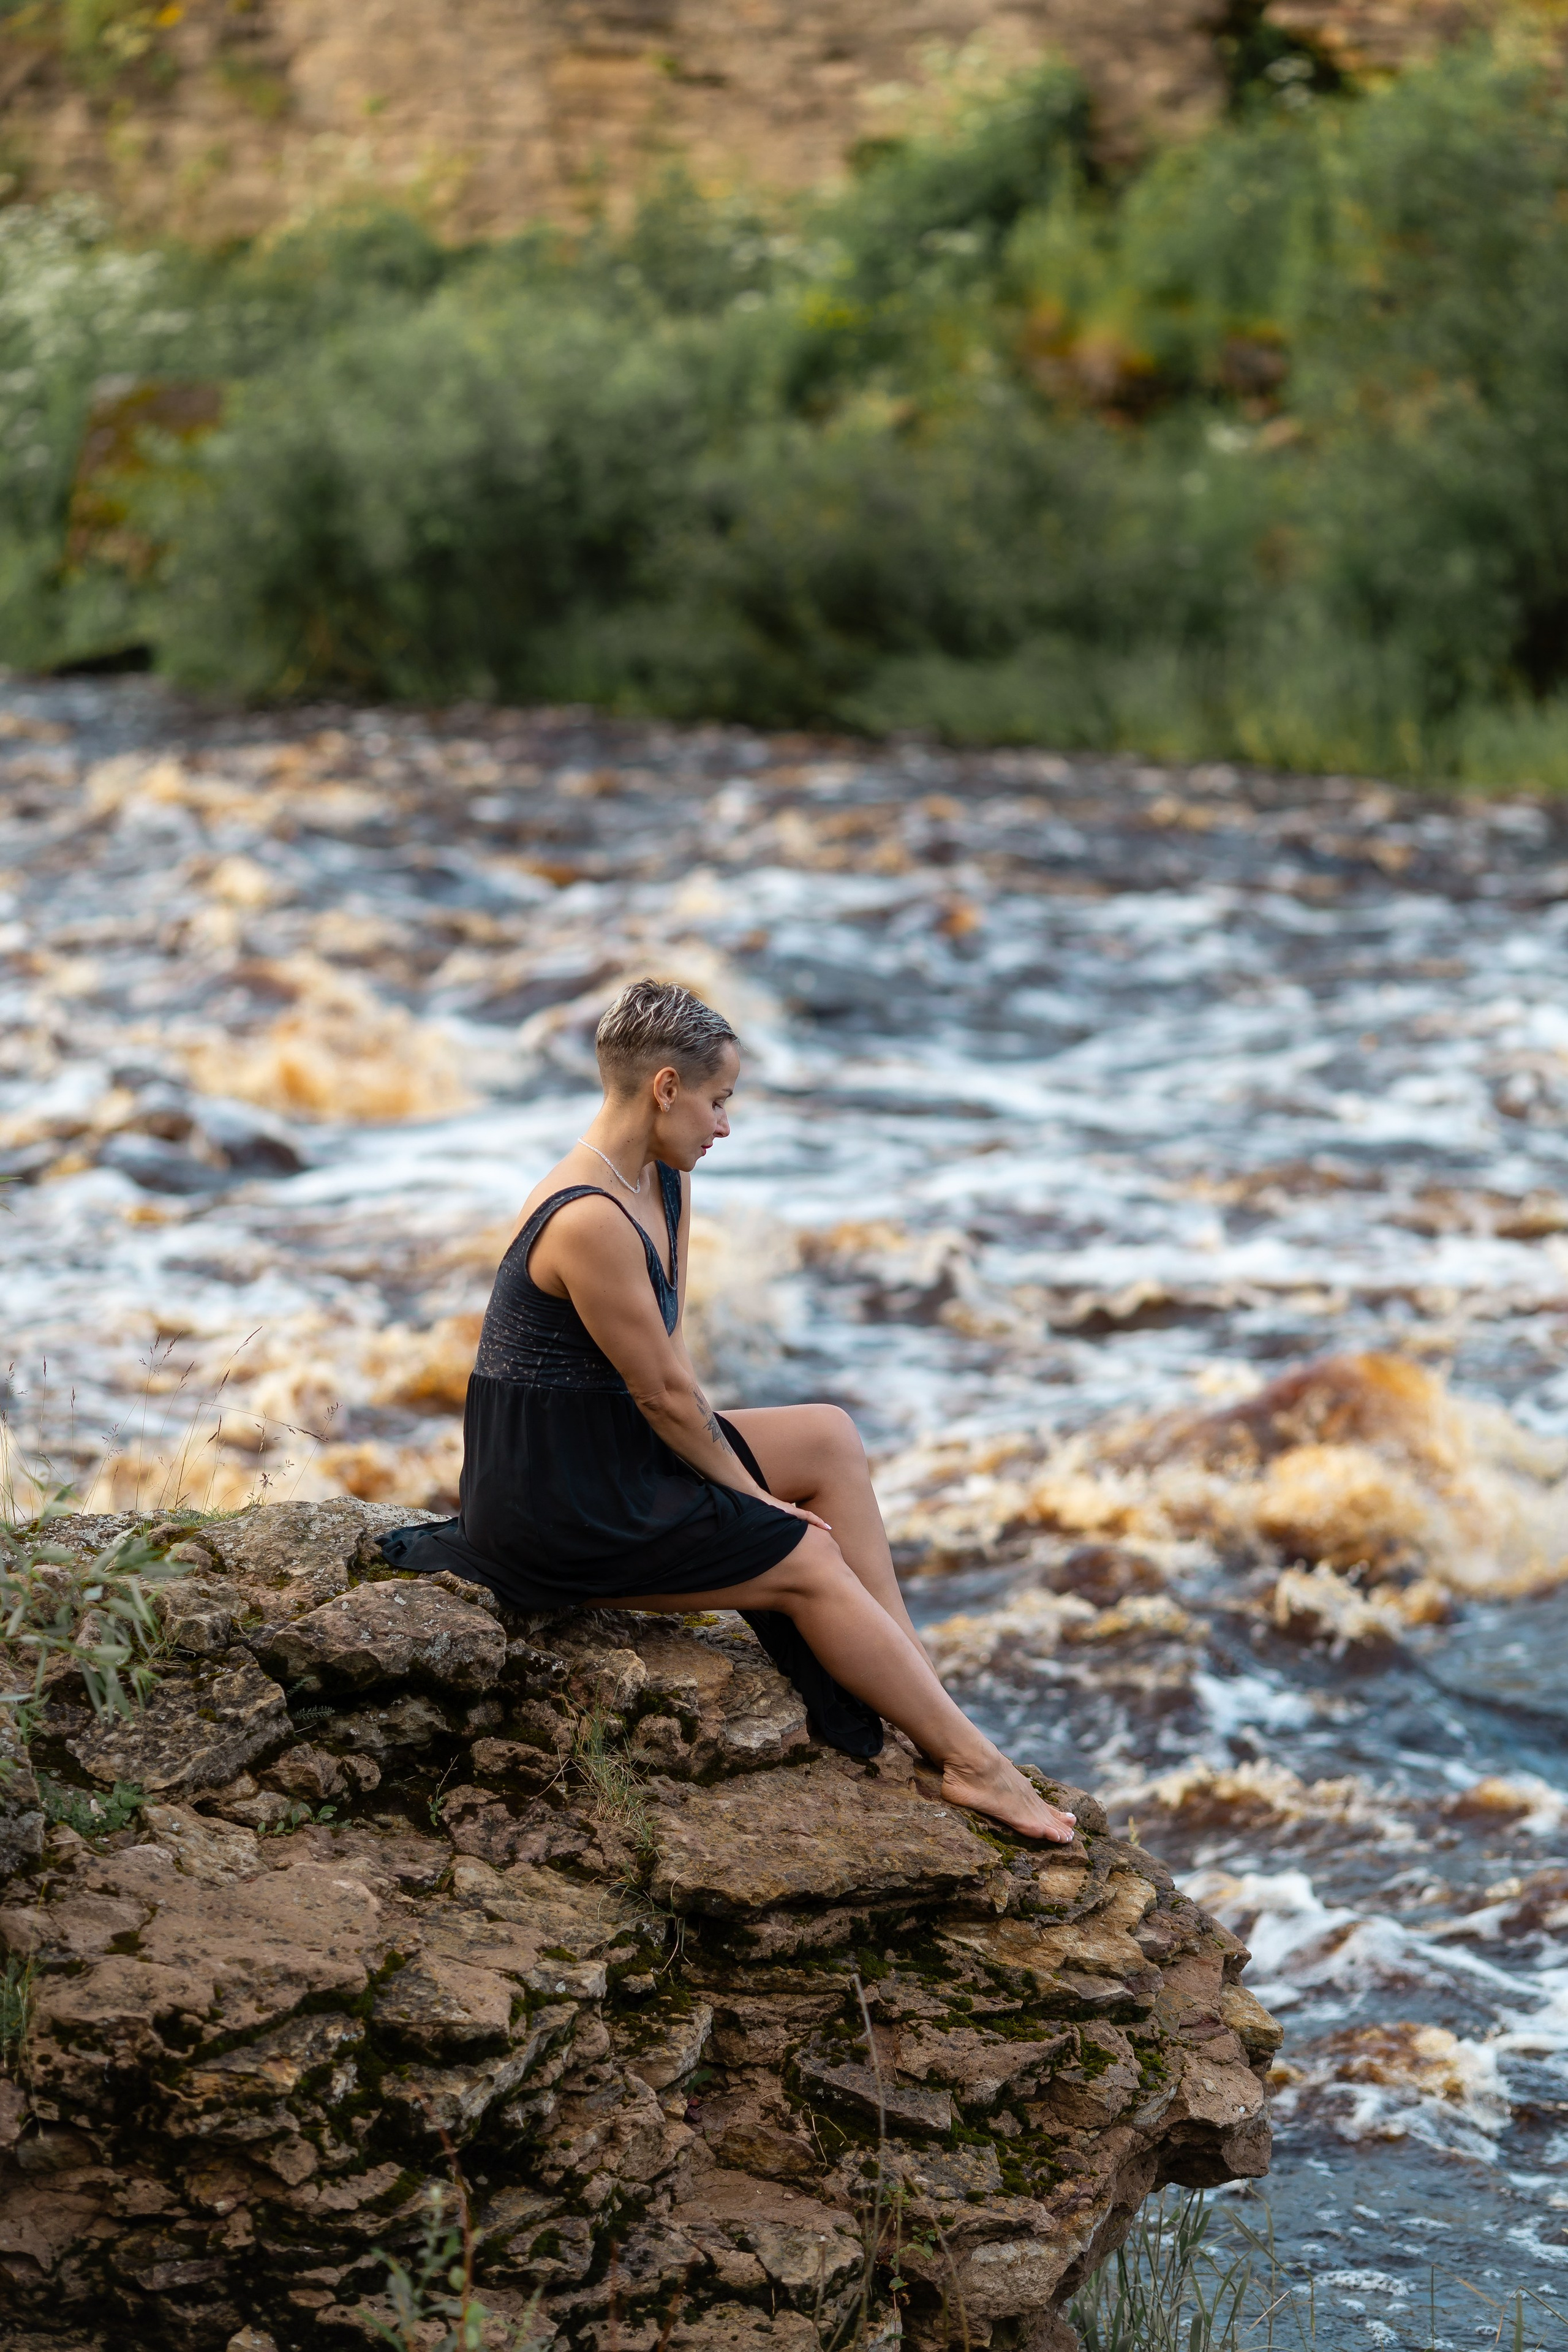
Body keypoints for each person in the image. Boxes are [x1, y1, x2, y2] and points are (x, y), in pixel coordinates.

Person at [383, 978, 1075, 1842]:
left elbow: (667, 1361)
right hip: (555, 1502)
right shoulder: (588, 1216)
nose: (724, 1125)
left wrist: (742, 1483)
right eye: (718, 1100)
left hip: (613, 1448)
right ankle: (978, 1770)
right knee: (806, 1557)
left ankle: (915, 1691)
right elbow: (664, 1395)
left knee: (827, 1436)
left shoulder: (659, 1182)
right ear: (666, 1087)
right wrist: (753, 1503)